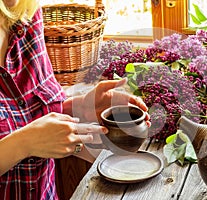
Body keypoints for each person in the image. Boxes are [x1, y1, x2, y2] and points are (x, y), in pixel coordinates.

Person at [0, 0, 150, 199]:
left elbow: (30, 112)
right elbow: (26, 135)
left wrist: (81, 107)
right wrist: (21, 144)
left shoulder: (24, 13)